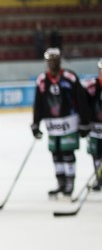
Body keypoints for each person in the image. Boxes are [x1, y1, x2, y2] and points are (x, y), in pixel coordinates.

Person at [31, 48, 90, 198]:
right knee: (56, 153)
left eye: (55, 60)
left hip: (69, 122)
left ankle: (70, 183)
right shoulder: (42, 80)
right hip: (52, 125)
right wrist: (35, 123)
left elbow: (81, 100)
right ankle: (61, 183)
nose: (52, 63)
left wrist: (85, 122)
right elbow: (38, 103)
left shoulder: (70, 77)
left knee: (67, 152)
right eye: (49, 60)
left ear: (59, 60)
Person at [82, 58, 102, 190]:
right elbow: (84, 105)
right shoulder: (92, 86)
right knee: (96, 154)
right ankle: (99, 178)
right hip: (96, 128)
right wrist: (85, 122)